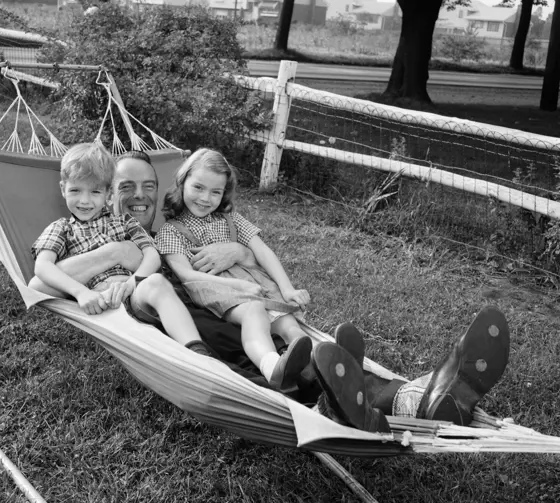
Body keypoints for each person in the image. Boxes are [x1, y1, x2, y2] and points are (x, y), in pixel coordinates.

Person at [33, 149, 510, 433]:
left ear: (164, 190)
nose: (137, 196)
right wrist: (115, 254)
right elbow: (40, 277)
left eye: (148, 186)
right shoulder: (130, 250)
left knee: (316, 352)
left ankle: (427, 395)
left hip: (258, 327)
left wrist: (237, 257)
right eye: (123, 187)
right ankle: (360, 403)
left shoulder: (156, 237)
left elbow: (243, 250)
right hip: (219, 362)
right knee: (303, 371)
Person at [28, 142, 217, 358]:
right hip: (101, 304)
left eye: (95, 191)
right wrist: (80, 292)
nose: (85, 200)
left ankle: (196, 351)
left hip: (133, 294)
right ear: (63, 189)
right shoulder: (60, 229)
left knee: (155, 283)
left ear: (108, 193)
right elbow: (42, 267)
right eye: (75, 190)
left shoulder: (124, 222)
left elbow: (152, 255)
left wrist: (131, 283)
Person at [156, 148, 317, 392]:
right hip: (218, 290)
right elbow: (187, 276)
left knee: (289, 325)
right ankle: (271, 366)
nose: (205, 198)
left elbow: (263, 252)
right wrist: (238, 286)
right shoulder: (171, 231)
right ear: (182, 182)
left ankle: (314, 368)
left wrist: (287, 289)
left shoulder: (232, 220)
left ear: (224, 193)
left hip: (255, 282)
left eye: (215, 192)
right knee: (254, 311)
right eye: (198, 187)